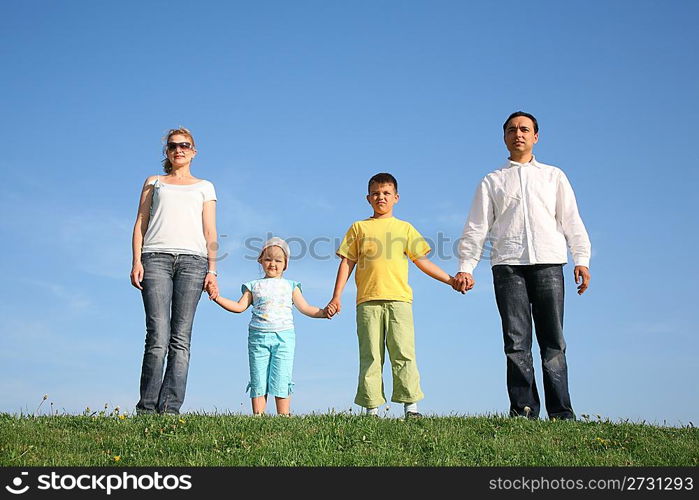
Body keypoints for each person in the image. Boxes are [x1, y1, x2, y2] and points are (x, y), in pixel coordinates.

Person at [452, 111, 591, 420]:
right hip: (508, 266)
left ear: (536, 136)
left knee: (553, 341)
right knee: (516, 343)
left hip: (549, 264)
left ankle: (561, 413)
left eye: (525, 129)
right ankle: (524, 411)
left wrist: (581, 259)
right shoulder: (492, 181)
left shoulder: (554, 176)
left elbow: (572, 221)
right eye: (512, 129)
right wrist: (466, 266)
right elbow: (476, 228)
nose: (519, 134)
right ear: (504, 137)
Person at [326, 173, 455, 419]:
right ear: (368, 198)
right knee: (371, 355)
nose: (380, 197)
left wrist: (450, 280)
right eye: (376, 193)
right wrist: (336, 297)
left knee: (403, 352)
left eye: (386, 193)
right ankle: (371, 409)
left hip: (399, 301)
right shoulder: (358, 228)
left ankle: (411, 408)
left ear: (396, 198)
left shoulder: (404, 228)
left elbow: (423, 261)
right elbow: (346, 263)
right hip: (367, 301)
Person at [130, 127, 219, 415]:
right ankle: (146, 408)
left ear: (194, 151)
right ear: (167, 152)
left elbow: (210, 230)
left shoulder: (205, 186)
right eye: (172, 146)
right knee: (157, 335)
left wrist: (212, 270)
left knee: (181, 338)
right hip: (155, 258)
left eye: (184, 145)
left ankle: (169, 409)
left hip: (194, 262)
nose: (178, 150)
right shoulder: (154, 182)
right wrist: (136, 261)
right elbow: (141, 223)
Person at [206, 237, 329, 416]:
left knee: (282, 376)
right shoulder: (254, 286)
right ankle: (258, 416)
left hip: (284, 337)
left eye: (278, 260)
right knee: (258, 377)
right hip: (258, 337)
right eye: (268, 259)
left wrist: (324, 312)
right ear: (260, 261)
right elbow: (239, 307)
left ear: (285, 264)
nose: (273, 264)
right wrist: (217, 297)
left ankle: (284, 416)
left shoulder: (291, 286)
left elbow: (306, 308)